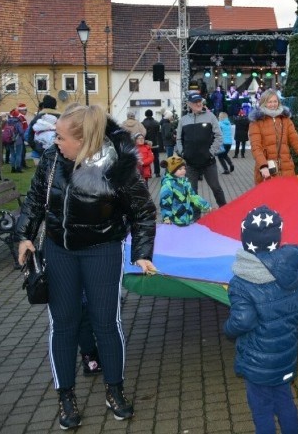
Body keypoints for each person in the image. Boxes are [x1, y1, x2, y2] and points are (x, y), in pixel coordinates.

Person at [15, 104, 157, 429]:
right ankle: (65, 396)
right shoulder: (52, 160)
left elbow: (143, 212)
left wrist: (142, 251)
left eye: (62, 137)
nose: (55, 141)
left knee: (106, 323)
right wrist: (23, 236)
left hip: (102, 251)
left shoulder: (118, 167)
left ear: (83, 140)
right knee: (63, 324)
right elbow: (36, 199)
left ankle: (114, 390)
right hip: (60, 251)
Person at [224, 205, 298, 434]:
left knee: (261, 408)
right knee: (284, 400)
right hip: (285, 352)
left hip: (257, 361)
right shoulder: (293, 269)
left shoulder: (241, 281)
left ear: (246, 241)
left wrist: (228, 329)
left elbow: (242, 320)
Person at [249, 89, 298, 183]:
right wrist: (263, 166)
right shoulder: (256, 122)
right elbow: (256, 147)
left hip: (287, 169)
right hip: (268, 171)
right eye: (269, 102)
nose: (273, 104)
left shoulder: (286, 120)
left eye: (275, 101)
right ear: (263, 103)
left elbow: (297, 143)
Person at [175, 92, 227, 207]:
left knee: (216, 187)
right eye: (195, 102)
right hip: (190, 163)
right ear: (189, 104)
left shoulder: (210, 116)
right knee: (192, 191)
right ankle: (195, 217)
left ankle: (225, 209)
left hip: (208, 162)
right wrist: (183, 153)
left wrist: (211, 153)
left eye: (199, 101)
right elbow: (179, 139)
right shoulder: (183, 120)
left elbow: (219, 136)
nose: (198, 104)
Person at [159, 155, 211, 226]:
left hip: (188, 218)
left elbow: (193, 196)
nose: (183, 171)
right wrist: (166, 218)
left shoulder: (185, 182)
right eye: (180, 169)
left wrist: (206, 206)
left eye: (184, 168)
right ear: (172, 170)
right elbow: (165, 202)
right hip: (174, 221)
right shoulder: (167, 185)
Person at [28, 95, 61, 166]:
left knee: (40, 175)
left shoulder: (36, 118)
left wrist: (35, 147)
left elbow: (29, 136)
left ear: (44, 105)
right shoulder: (61, 118)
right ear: (55, 105)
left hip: (39, 152)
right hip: (56, 152)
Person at [142, 109, 162, 178]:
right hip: (155, 143)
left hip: (146, 144)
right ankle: (157, 173)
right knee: (156, 158)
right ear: (152, 114)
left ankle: (149, 173)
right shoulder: (157, 123)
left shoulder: (142, 123)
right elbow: (158, 133)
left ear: (145, 115)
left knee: (147, 158)